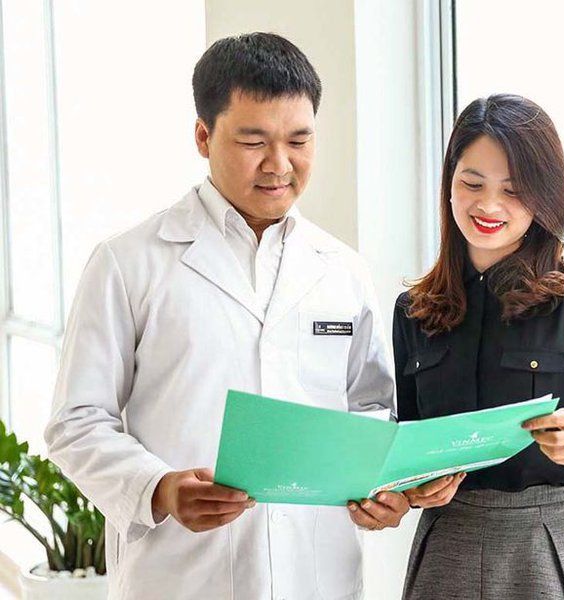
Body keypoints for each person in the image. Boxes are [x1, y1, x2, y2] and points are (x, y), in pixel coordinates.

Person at [45, 33, 410, 600]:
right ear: (203, 136)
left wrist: (384, 487)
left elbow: (371, 407)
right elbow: (76, 421)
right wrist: (159, 488)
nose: (279, 165)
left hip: (317, 576)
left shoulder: (344, 270)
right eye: (253, 141)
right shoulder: (129, 262)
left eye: (299, 140)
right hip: (183, 578)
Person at [394, 94, 564, 599]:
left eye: (513, 190)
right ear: (449, 185)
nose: (488, 206)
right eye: (472, 184)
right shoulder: (413, 311)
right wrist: (412, 486)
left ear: (543, 197)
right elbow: (408, 441)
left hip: (557, 542)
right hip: (450, 540)